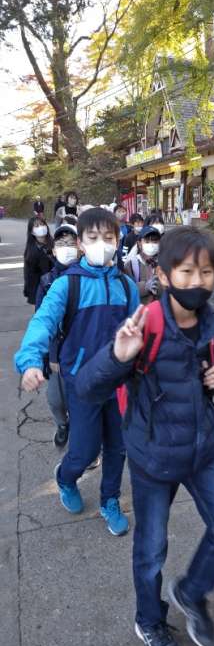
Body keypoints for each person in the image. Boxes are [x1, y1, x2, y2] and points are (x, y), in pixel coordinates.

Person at [76, 226, 214, 646]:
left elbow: (207, 377)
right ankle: (150, 621)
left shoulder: (210, 325)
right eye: (186, 271)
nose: (197, 281)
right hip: (152, 457)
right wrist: (118, 355)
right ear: (165, 275)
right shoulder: (144, 323)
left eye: (206, 272)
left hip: (201, 451)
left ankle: (191, 592)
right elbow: (87, 389)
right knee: (151, 551)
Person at [15, 207, 139, 535]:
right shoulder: (66, 286)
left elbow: (142, 332)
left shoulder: (127, 287)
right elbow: (42, 322)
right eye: (93, 237)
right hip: (82, 383)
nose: (102, 244)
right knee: (84, 450)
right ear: (81, 243)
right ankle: (65, 477)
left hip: (119, 383)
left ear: (118, 241)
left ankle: (109, 500)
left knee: (118, 448)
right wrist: (30, 361)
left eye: (109, 237)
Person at [35, 222, 79, 448]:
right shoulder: (47, 282)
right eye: (61, 244)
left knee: (82, 400)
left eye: (71, 243)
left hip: (83, 350)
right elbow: (41, 323)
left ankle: (82, 434)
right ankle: (62, 424)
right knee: (56, 399)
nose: (66, 248)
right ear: (53, 250)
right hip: (57, 353)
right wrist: (47, 356)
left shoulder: (89, 277)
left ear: (80, 248)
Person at [124, 225, 162, 304]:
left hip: (160, 308)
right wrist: (145, 287)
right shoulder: (131, 264)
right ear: (139, 243)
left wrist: (160, 286)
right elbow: (127, 289)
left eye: (155, 241)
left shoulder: (165, 263)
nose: (151, 245)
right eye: (147, 241)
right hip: (140, 308)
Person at [23, 217, 54, 305]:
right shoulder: (31, 250)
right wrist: (28, 291)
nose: (41, 227)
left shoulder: (54, 244)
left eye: (42, 224)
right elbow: (28, 274)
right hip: (40, 289)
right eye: (37, 226)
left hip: (55, 286)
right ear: (32, 231)